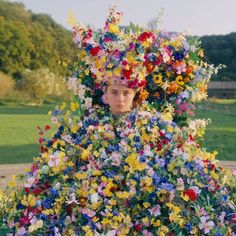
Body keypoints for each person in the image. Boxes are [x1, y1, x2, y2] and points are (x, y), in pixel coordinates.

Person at [0, 5, 235, 236]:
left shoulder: (154, 123)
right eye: (114, 92)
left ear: (135, 95)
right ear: (104, 94)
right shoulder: (89, 127)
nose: (120, 99)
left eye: (126, 93)